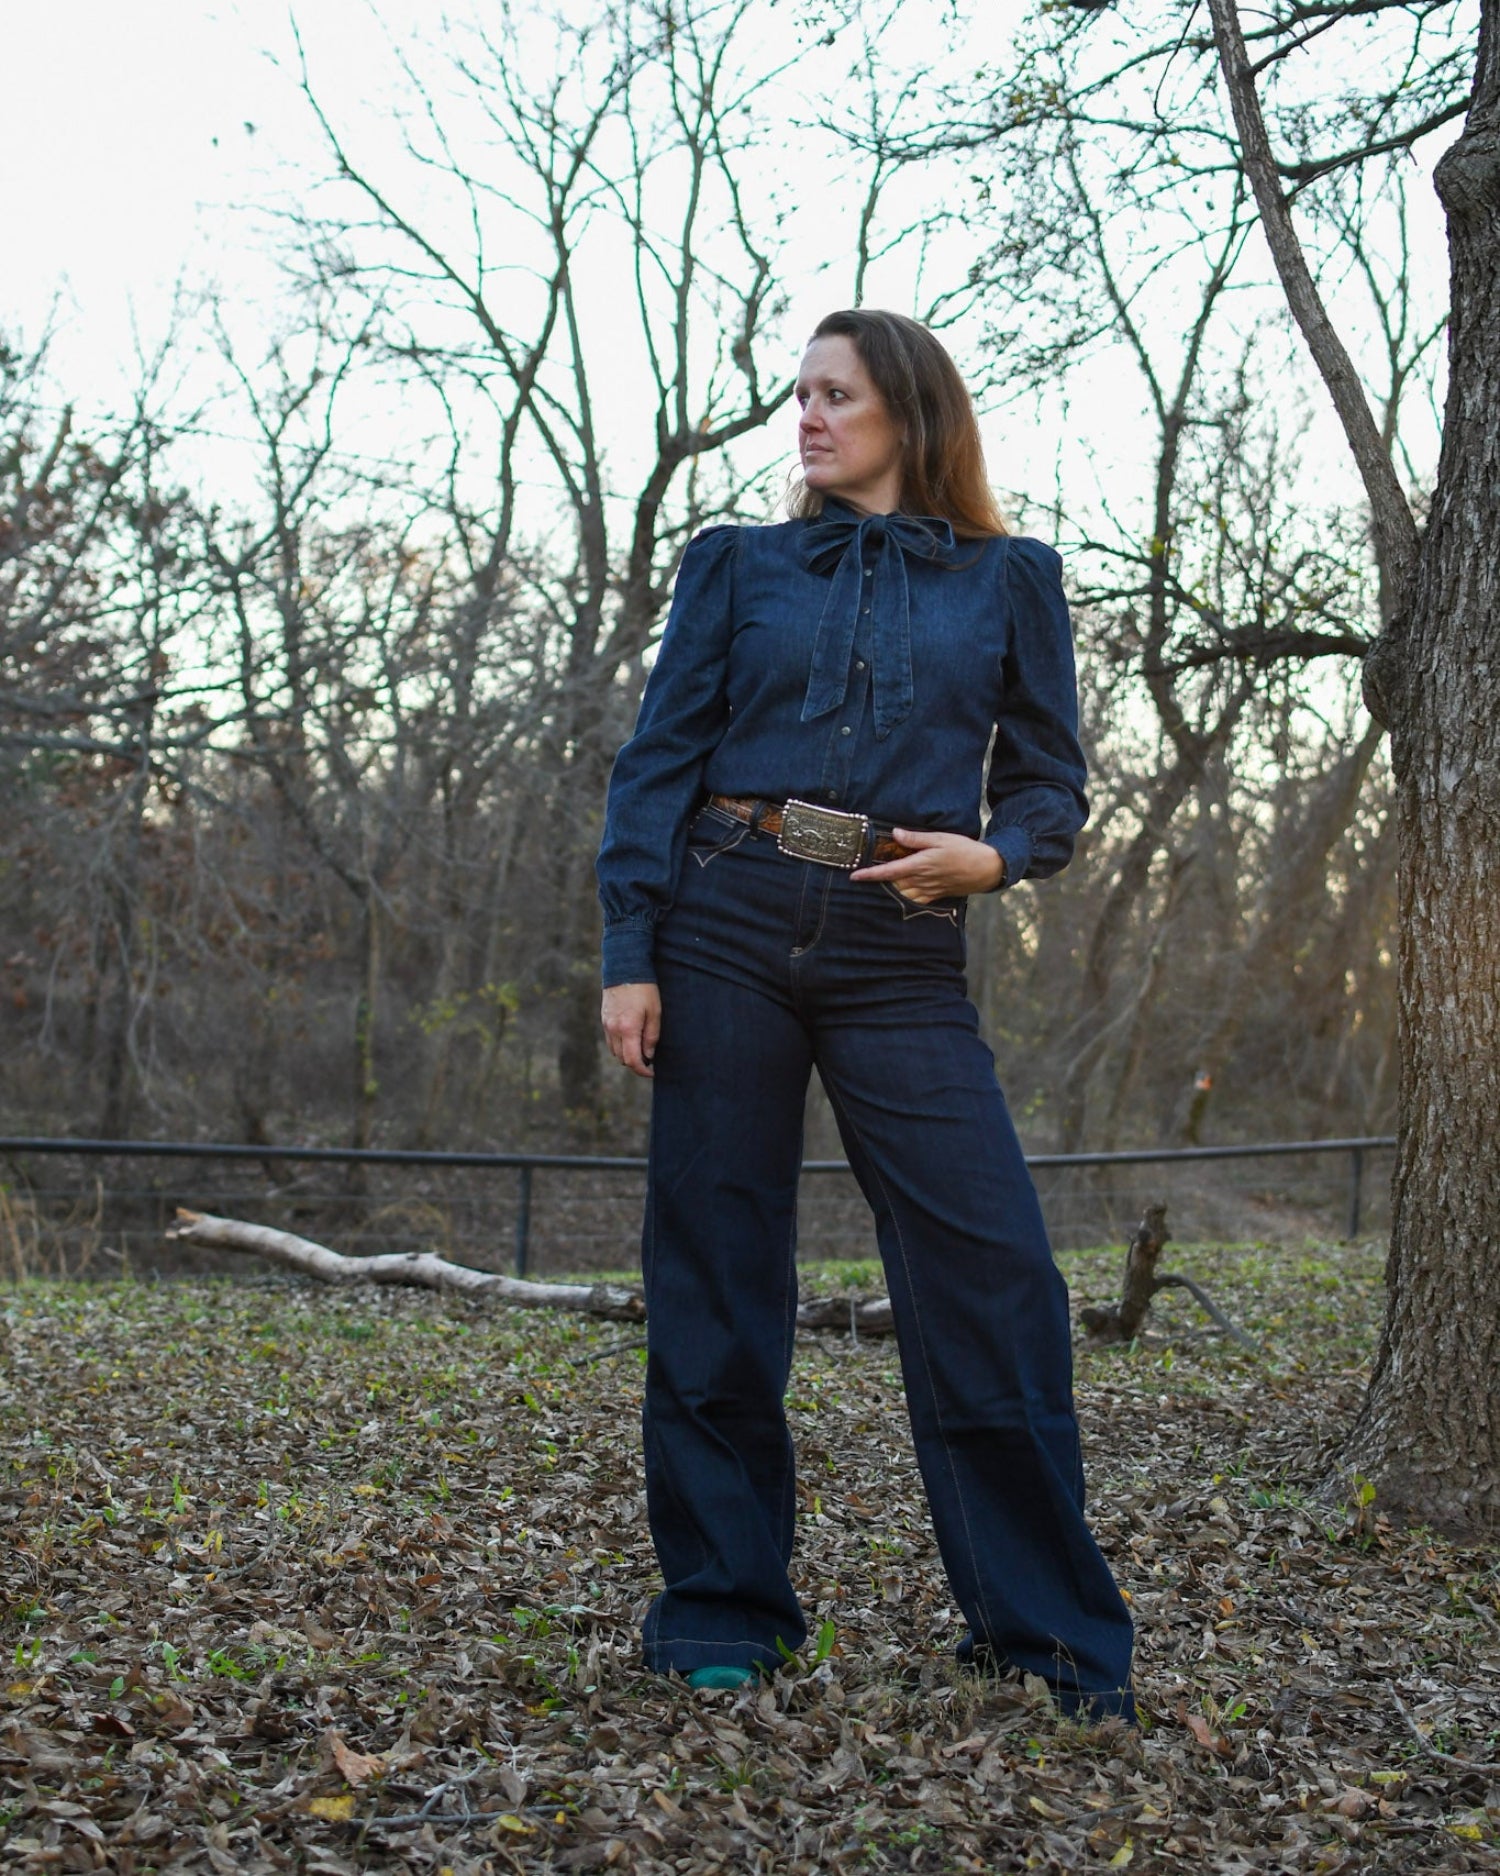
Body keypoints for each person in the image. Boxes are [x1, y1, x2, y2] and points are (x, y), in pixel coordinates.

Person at [595, 309, 1135, 1721]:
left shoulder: (1012, 579)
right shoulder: (737, 564)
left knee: (996, 1273)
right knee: (718, 1265)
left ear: (910, 409)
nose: (809, 419)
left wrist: (998, 859)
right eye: (802, 396)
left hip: (901, 941)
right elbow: (657, 760)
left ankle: (1046, 1641)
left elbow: (1050, 781)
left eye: (835, 394)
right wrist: (629, 948)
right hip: (724, 911)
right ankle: (723, 1611)